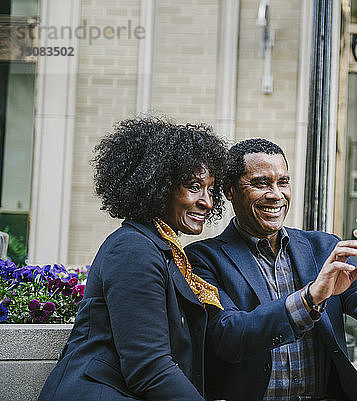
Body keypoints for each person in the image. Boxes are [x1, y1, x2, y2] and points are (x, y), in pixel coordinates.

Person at [186, 138, 357, 401]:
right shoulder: (203, 259)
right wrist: (310, 299)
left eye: (283, 182)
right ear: (230, 191)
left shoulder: (323, 247)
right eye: (261, 183)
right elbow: (228, 336)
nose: (276, 194)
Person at [38, 117, 227, 401]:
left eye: (211, 189)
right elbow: (149, 367)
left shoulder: (162, 248)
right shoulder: (133, 249)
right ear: (159, 184)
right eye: (193, 186)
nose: (207, 201)